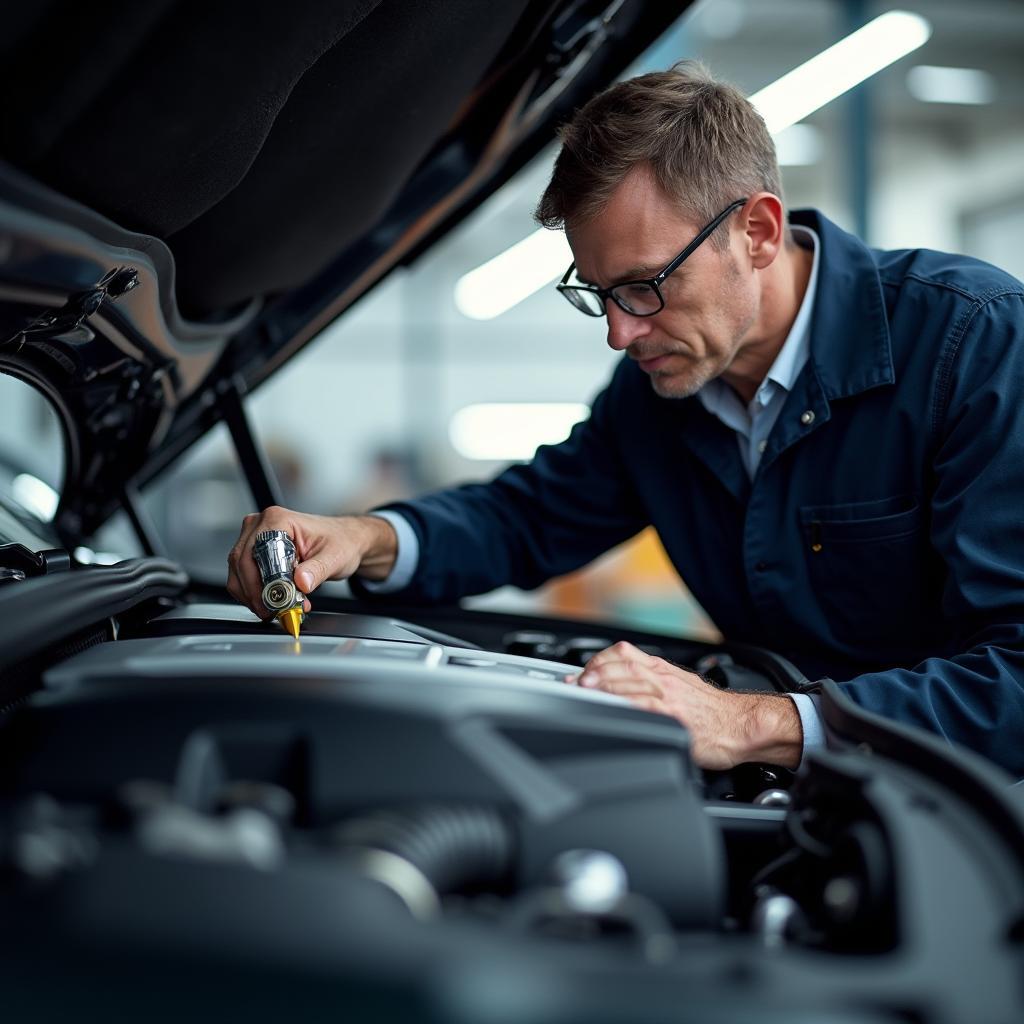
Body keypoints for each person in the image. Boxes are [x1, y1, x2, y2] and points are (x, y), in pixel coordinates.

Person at [227, 62, 1024, 778]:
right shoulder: (659, 394)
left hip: (974, 829)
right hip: (823, 800)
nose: (619, 331)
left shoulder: (973, 344)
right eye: (598, 294)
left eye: (645, 286)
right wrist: (363, 539)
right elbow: (525, 518)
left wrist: (751, 722)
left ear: (758, 231)